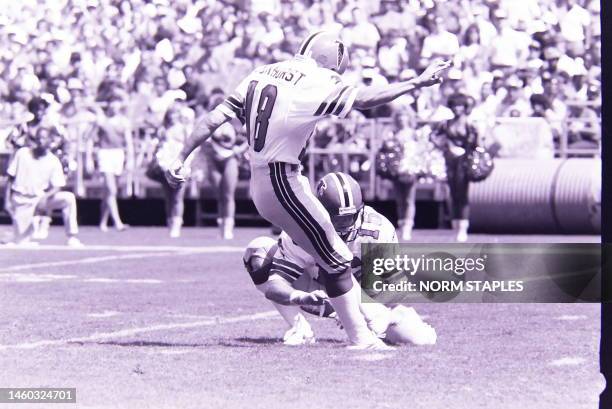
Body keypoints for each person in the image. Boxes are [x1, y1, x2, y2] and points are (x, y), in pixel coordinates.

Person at [165, 31, 451, 349]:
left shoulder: (261, 72)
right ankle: (362, 337)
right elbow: (365, 100)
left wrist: (181, 157)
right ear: (329, 62)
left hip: (261, 182)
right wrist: (417, 83)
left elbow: (213, 119)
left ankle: (357, 323)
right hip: (282, 179)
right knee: (338, 259)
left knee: (331, 259)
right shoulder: (314, 79)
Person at [242, 172, 436, 346]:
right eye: (336, 219)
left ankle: (399, 318)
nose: (343, 226)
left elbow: (393, 288)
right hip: (321, 291)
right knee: (258, 250)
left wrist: (375, 312)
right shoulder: (302, 230)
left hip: (366, 296)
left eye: (349, 218)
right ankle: (299, 328)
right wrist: (302, 298)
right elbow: (275, 285)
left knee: (419, 340)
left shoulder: (377, 231)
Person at [4, 127, 82, 246]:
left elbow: (58, 186)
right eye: (38, 138)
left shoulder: (53, 161)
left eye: (44, 138)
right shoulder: (22, 154)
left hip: (40, 199)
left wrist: (45, 197)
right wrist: (7, 201)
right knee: (21, 243)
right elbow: (9, 179)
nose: (40, 141)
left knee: (68, 198)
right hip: (21, 201)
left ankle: (72, 236)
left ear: (50, 140)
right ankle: (25, 229)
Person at [432, 93, 479, 242]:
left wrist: (467, 147)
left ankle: (463, 228)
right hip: (449, 160)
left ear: (465, 107)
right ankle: (455, 226)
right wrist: (444, 146)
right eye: (454, 105)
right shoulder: (446, 123)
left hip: (463, 161)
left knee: (462, 193)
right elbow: (432, 136)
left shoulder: (470, 124)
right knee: (452, 193)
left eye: (460, 105)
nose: (457, 108)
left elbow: (476, 144)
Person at [202, 122, 247, 240]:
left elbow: (249, 139)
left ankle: (228, 229)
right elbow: (204, 140)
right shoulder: (212, 121)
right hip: (214, 159)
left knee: (228, 195)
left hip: (230, 158)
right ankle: (221, 228)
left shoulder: (237, 123)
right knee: (219, 195)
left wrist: (239, 149)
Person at [93, 99, 133, 232]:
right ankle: (117, 222)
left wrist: (130, 158)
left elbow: (128, 142)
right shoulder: (102, 121)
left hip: (118, 154)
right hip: (105, 153)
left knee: (108, 192)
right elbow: (91, 138)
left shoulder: (124, 122)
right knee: (111, 189)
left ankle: (102, 222)